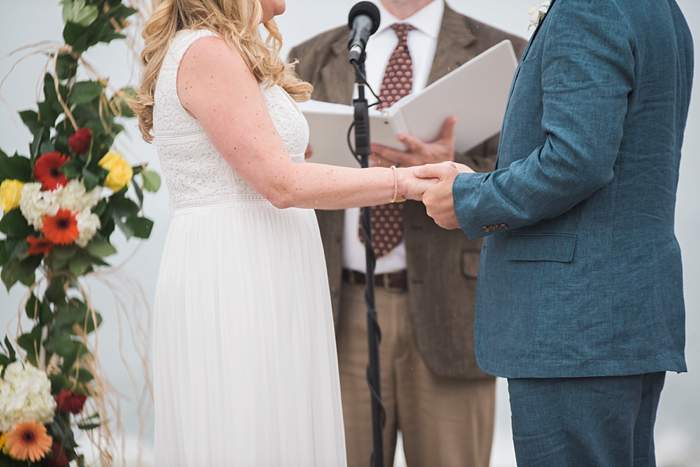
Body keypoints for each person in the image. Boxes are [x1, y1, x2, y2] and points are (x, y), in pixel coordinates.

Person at [134, 0, 433, 465]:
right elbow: (281, 183)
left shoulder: (228, 50)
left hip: (264, 267)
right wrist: (404, 183)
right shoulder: (208, 52)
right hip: (238, 276)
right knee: (250, 434)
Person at [417, 0, 694, 465]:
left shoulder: (591, 7)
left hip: (573, 325)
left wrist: (467, 198)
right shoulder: (661, 9)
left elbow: (574, 161)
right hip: (618, 319)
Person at [288, 1, 525, 466]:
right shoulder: (309, 58)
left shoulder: (505, 55)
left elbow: (532, 180)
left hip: (454, 310)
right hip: (338, 313)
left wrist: (455, 173)